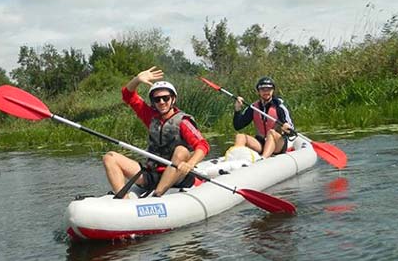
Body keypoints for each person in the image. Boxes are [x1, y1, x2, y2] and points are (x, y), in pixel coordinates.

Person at [103, 66, 210, 198]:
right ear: (153, 102)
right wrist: (137, 79)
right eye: (157, 99)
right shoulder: (150, 116)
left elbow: (202, 145)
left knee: (181, 151)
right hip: (152, 174)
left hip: (177, 176)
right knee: (110, 157)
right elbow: (128, 96)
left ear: (173, 99)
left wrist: (190, 164)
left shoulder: (183, 121)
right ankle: (123, 201)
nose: (161, 102)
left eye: (165, 98)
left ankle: (157, 195)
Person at [232, 76, 294, 159]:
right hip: (261, 143)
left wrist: (287, 128)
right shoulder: (253, 108)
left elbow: (291, 131)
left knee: (271, 132)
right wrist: (237, 109)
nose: (266, 92)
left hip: (278, 144)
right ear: (258, 91)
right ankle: (235, 158)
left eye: (268, 89)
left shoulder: (279, 107)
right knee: (240, 136)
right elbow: (238, 126)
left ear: (273, 90)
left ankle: (263, 159)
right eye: (263, 90)